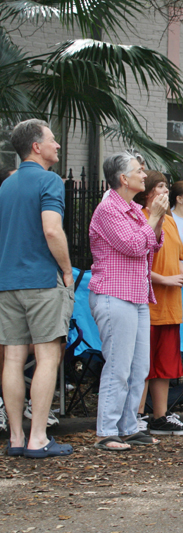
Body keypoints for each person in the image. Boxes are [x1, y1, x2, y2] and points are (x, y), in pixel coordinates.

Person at [0, 119, 74, 458]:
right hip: (41, 280)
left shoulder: (6, 187)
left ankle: (16, 438)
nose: (57, 145)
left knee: (13, 358)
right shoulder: (49, 181)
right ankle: (39, 438)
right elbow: (52, 230)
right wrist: (66, 269)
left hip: (7, 282)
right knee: (47, 356)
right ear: (36, 147)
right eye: (52, 140)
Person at [88, 152, 168, 451]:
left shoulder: (133, 209)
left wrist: (154, 219)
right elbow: (135, 246)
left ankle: (129, 427)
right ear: (123, 178)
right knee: (118, 367)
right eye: (139, 170)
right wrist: (156, 216)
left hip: (136, 295)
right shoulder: (109, 209)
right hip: (113, 294)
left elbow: (153, 245)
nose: (144, 175)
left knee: (138, 367)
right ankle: (106, 431)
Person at [134, 171, 183, 437]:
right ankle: (136, 416)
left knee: (164, 366)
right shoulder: (139, 218)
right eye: (160, 186)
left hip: (171, 306)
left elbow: (179, 257)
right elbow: (138, 263)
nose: (165, 191)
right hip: (149, 306)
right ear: (147, 192)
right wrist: (167, 280)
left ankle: (160, 416)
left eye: (167, 186)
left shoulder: (170, 222)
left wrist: (181, 273)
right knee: (143, 365)